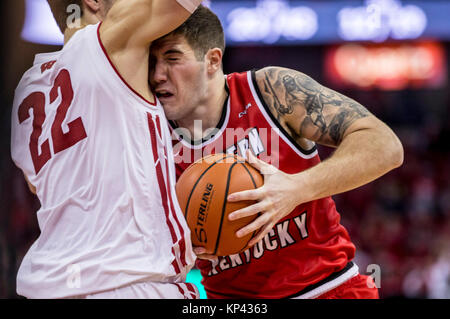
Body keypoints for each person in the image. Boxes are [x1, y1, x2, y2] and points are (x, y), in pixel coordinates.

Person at [149, 5, 404, 299]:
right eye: (152, 61)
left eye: (172, 58)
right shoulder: (150, 137)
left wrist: (294, 188)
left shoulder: (271, 91)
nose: (157, 75)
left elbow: (386, 145)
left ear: (212, 61)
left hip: (327, 288)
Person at [10, 0, 203, 299]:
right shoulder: (106, 42)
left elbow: (38, 185)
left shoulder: (28, 85)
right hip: (127, 282)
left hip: (50, 286)